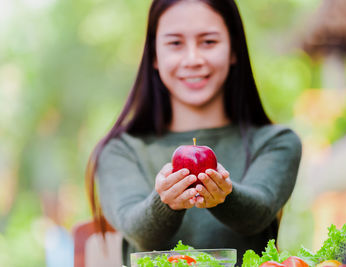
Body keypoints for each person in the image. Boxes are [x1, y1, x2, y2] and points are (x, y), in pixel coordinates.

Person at [85, 0, 302, 266]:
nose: (193, 59)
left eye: (208, 42)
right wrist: (165, 202)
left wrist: (225, 195)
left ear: (234, 50)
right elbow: (138, 230)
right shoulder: (120, 150)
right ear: (154, 55)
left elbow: (257, 215)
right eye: (175, 43)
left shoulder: (275, 143)